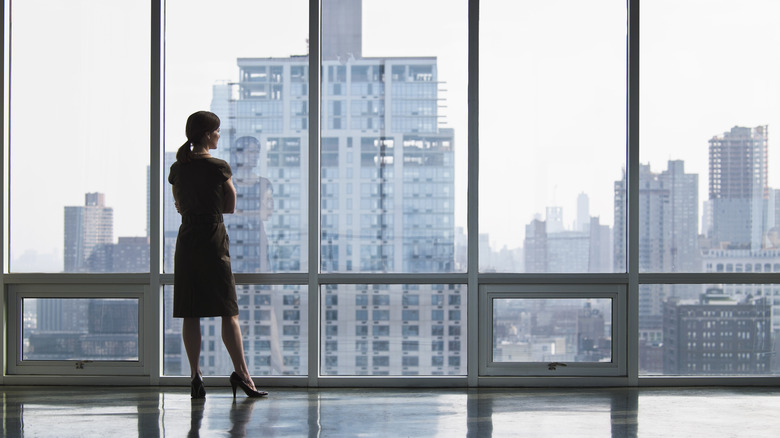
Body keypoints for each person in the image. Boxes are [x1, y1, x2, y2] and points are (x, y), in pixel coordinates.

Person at [169, 110, 267, 399]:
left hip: (187, 239)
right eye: (217, 131)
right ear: (207, 134)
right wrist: (212, 208)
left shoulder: (178, 168)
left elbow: (179, 205)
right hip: (212, 238)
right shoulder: (219, 167)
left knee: (191, 312)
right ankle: (243, 374)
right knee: (228, 311)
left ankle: (195, 374)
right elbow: (231, 204)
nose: (219, 135)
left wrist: (195, 209)